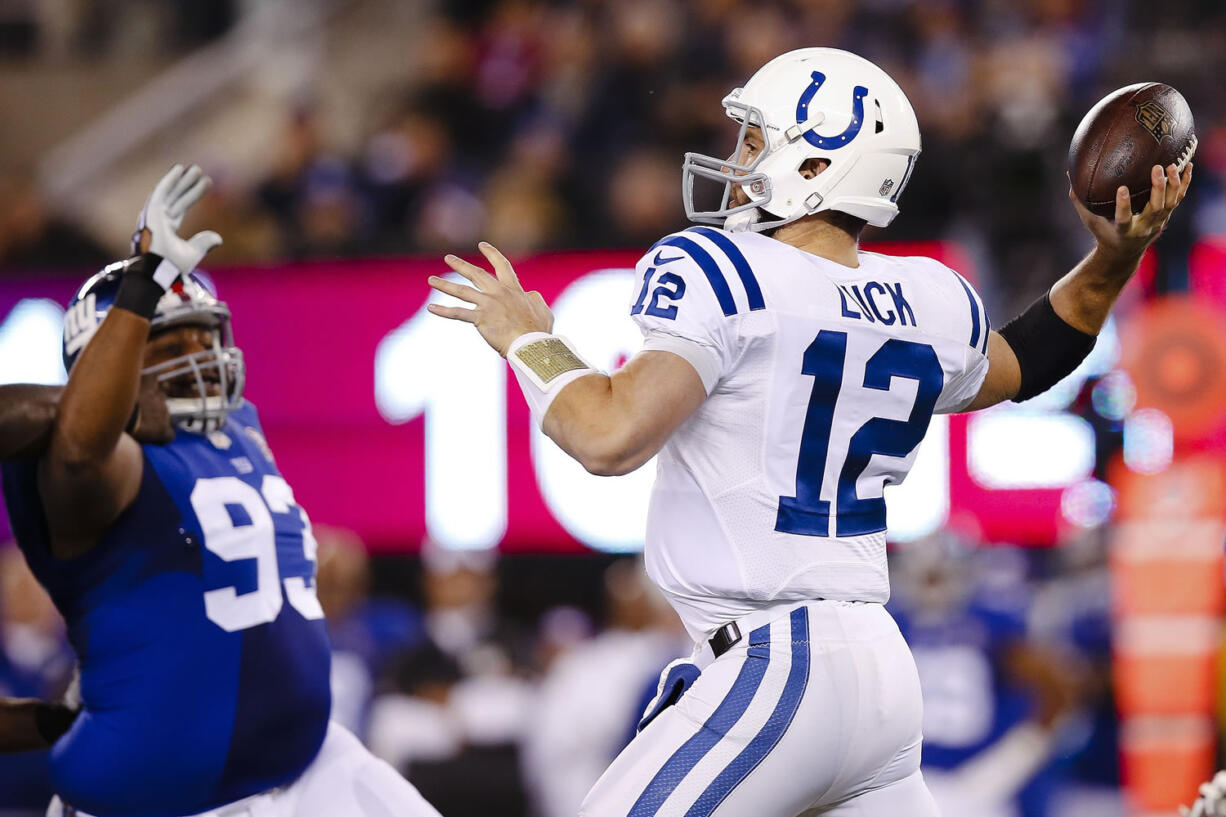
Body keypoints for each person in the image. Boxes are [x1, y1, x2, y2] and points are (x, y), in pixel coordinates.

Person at [426, 47, 1192, 816]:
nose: (737, 158)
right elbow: (1028, 359)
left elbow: (608, 434)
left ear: (819, 162)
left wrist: (527, 338)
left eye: (756, 141)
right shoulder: (926, 296)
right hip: (878, 674)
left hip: (774, 660)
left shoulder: (724, 267)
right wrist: (1112, 257)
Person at [0, 165, 442, 817]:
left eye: (204, 338)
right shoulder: (99, 462)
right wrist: (142, 284)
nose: (201, 360)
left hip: (304, 759)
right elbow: (77, 445)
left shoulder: (235, 426)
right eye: (170, 343)